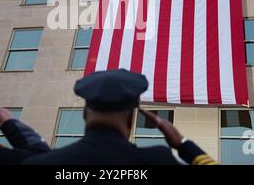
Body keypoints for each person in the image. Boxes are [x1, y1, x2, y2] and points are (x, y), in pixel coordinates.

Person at [24, 69, 217, 165]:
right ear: (131, 119)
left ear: (84, 114)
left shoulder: (39, 162)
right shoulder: (159, 159)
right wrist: (183, 144)